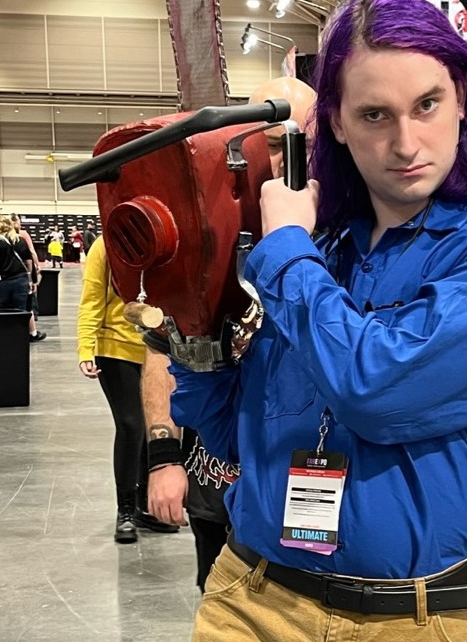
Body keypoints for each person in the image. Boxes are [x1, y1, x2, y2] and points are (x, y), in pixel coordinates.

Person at [167, 0, 467, 640]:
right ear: (339, 122)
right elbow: (237, 438)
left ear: (463, 99)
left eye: (426, 104)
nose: (406, 143)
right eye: (375, 113)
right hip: (255, 599)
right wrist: (190, 316)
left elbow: (376, 387)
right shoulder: (319, 250)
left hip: (418, 617)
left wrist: (286, 252)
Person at [144, 76, 318, 592]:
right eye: (269, 146)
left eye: (301, 143)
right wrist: (163, 457)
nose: (285, 162)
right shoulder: (213, 232)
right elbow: (160, 351)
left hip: (312, 495)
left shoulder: (344, 233)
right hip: (218, 484)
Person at [78, 238, 177, 542]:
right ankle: (125, 510)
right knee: (131, 425)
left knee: (154, 427)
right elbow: (92, 299)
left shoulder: (168, 242)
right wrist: (86, 347)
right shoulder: (105, 246)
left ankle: (146, 506)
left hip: (159, 349)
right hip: (115, 349)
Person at [0, 215, 41, 335]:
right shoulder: (20, 241)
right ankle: (20, 336)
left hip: (3, 282)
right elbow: (29, 262)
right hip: (21, 281)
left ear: (0, 226)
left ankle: (5, 336)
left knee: (3, 310)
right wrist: (32, 280)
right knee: (21, 310)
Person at [13, 214, 47, 343]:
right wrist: (37, 266)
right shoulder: (23, 235)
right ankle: (32, 332)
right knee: (28, 305)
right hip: (22, 275)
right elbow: (31, 252)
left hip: (6, 278)